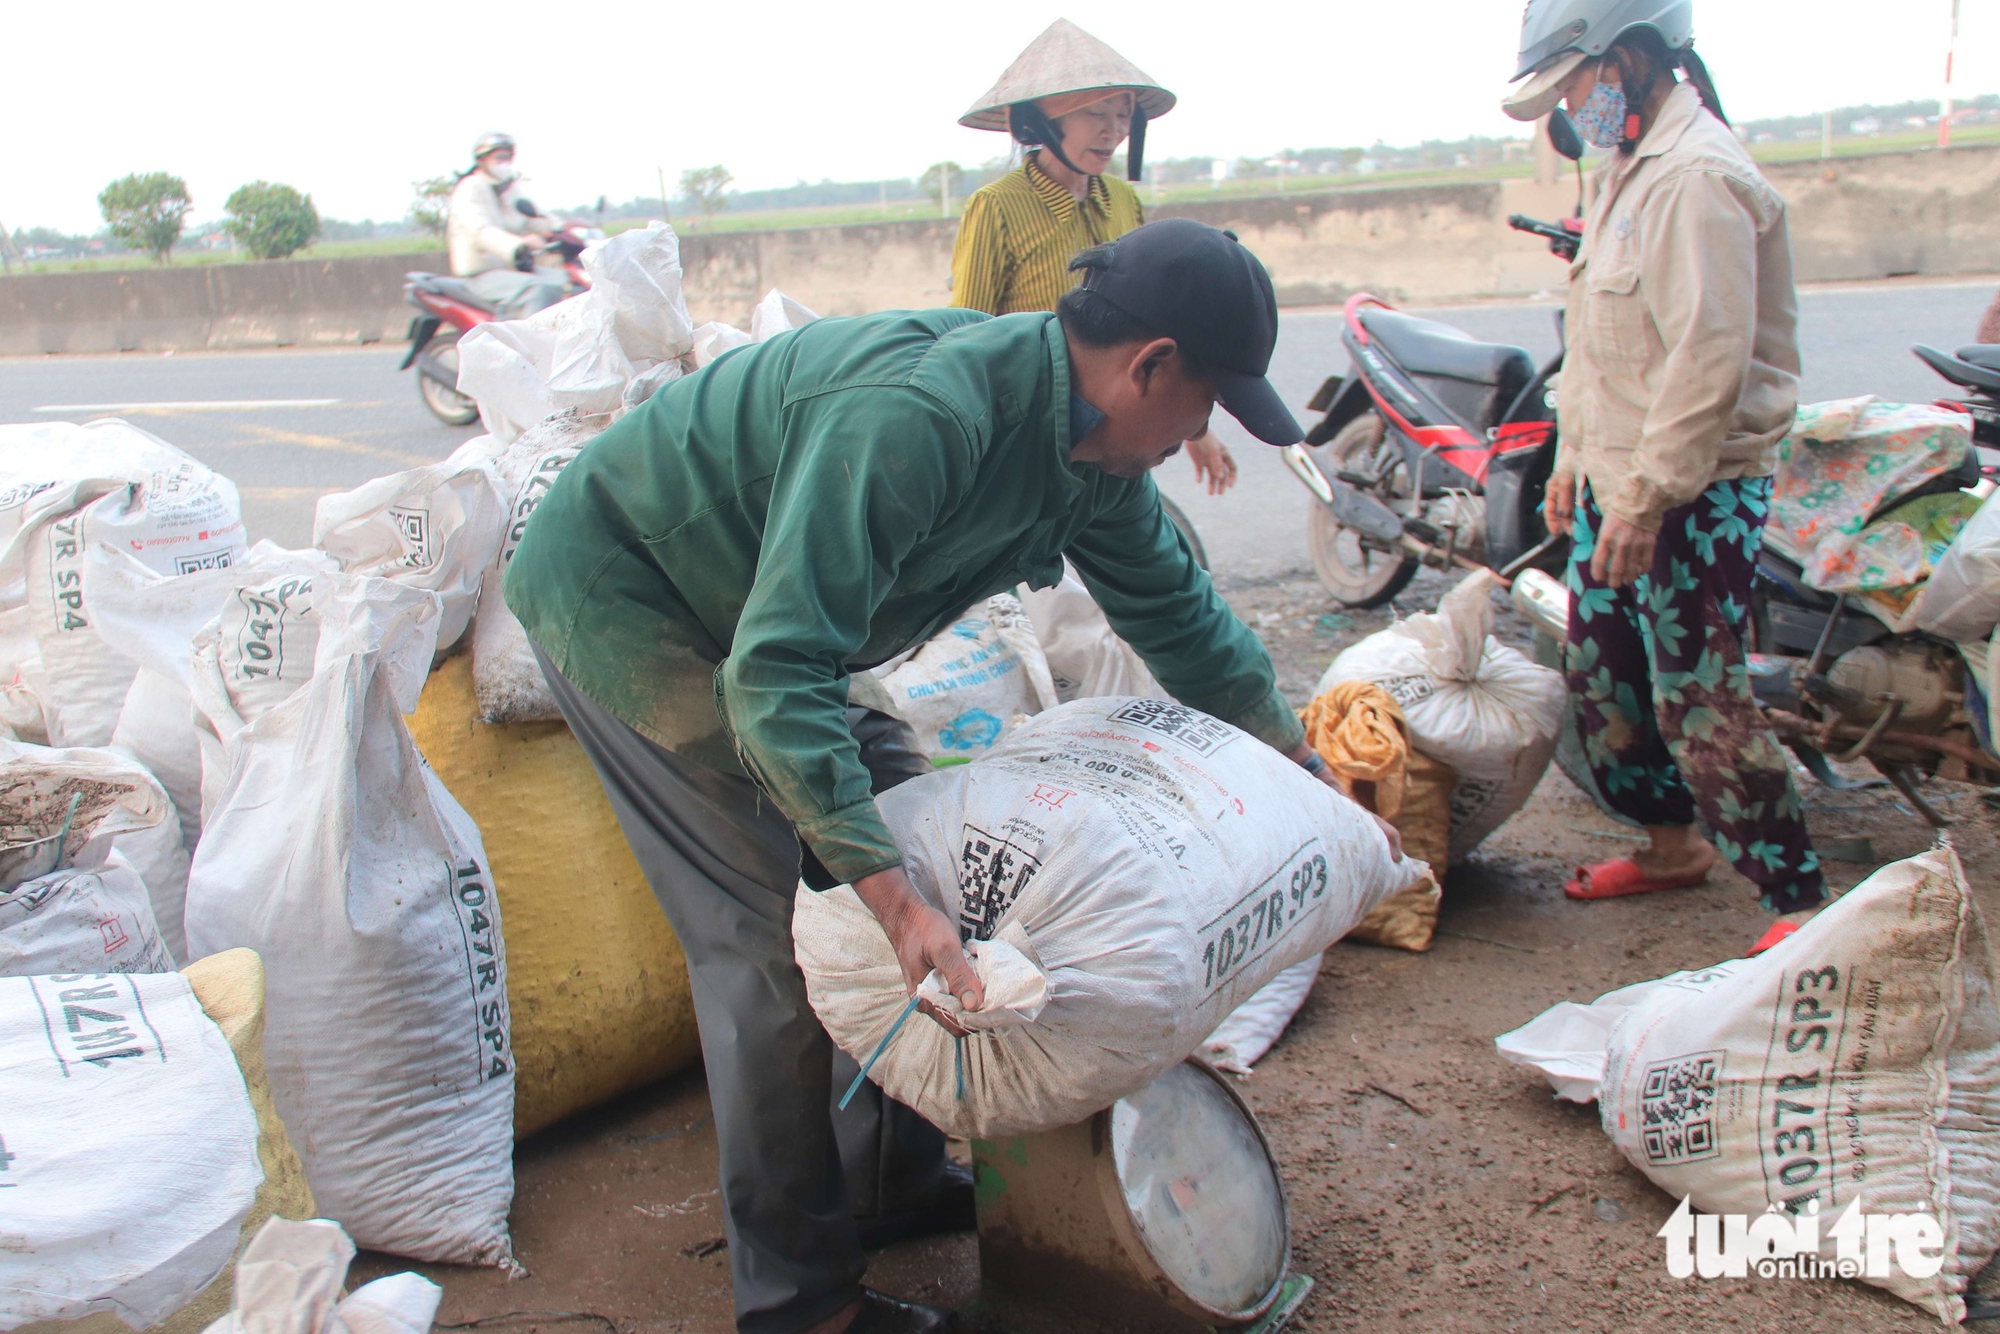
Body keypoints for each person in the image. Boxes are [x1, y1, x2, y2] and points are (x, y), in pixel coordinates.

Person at [505, 218, 1395, 1334]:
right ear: (1148, 365)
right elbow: (776, 669)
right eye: (1203, 402)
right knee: (770, 940)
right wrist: (881, 893)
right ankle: (799, 1301)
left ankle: (883, 1180)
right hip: (635, 595)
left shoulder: (1090, 451)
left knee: (907, 825)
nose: (1199, 433)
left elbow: (1180, 614)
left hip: (767, 620)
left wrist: (1302, 767)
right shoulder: (927, 418)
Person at [1503, 0, 1824, 920]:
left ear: (1631, 58)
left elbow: (1706, 361)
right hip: (1621, 475)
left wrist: (1645, 503)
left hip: (1695, 487)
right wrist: (1571, 455)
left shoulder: (1696, 176)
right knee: (1606, 673)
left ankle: (1795, 899)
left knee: (1700, 692)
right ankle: (1672, 847)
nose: (1569, 107)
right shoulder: (1619, 168)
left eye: (1574, 82)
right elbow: (1602, 344)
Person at [951, 19, 1237, 495]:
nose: (1112, 132)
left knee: (1136, 557)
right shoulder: (996, 206)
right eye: (1094, 114)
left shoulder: (1125, 201)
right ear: (1042, 121)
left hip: (1122, 425)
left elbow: (1156, 323)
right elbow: (967, 332)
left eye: (1123, 115)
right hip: (1035, 430)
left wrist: (1196, 430)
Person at [446, 132, 566, 316]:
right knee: (538, 288)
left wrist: (560, 228)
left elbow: (529, 218)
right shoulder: (469, 188)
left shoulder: (508, 189)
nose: (505, 162)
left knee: (563, 281)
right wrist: (520, 244)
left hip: (512, 270)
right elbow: (481, 232)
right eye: (499, 157)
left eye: (508, 157)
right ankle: (529, 342)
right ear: (482, 160)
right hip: (482, 274)